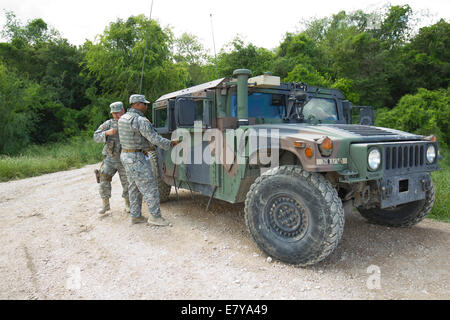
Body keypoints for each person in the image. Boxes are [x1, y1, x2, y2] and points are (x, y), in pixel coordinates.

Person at [118, 94, 180, 226]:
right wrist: (170, 144)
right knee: (150, 187)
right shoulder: (140, 120)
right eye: (144, 104)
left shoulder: (123, 118)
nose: (146, 106)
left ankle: (136, 216)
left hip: (125, 155)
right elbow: (154, 138)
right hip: (136, 157)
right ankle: (155, 217)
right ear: (138, 104)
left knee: (134, 186)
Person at [93, 101, 130, 215]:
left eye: (118, 113)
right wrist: (107, 133)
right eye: (114, 113)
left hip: (124, 158)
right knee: (103, 179)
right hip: (110, 158)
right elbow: (95, 136)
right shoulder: (109, 124)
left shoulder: (129, 121)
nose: (116, 115)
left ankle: (128, 204)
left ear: (123, 110)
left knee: (127, 183)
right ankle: (105, 205)